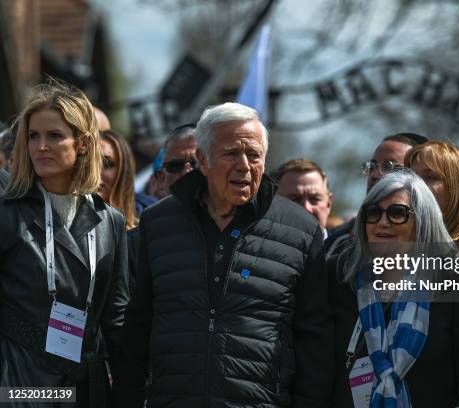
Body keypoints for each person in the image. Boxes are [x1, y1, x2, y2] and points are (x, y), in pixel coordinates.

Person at [119, 102, 333, 407]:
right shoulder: (158, 223)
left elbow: (315, 342)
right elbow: (137, 330)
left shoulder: (300, 230)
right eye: (231, 153)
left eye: (254, 155)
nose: (244, 165)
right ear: (203, 161)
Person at [0, 80, 129, 406]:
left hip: (83, 386)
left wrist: (130, 391)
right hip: (17, 385)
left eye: (54, 135)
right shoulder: (8, 211)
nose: (41, 146)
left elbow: (115, 319)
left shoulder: (109, 220)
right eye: (33, 136)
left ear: (83, 143)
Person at [329, 170, 459, 407]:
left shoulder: (456, 280)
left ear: (423, 220)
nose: (382, 222)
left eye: (397, 213)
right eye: (373, 213)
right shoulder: (339, 278)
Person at [326, 132, 428, 258]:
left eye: (388, 167)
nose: (374, 175)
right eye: (372, 166)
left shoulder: (445, 251)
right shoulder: (339, 242)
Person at [273, 158, 333, 237]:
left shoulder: (345, 248)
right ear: (274, 204)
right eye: (295, 199)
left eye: (315, 199)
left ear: (328, 204)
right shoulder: (256, 248)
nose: (306, 208)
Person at [99, 130, 138, 230]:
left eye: (106, 164)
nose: (94, 173)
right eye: (87, 164)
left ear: (124, 174)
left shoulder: (142, 234)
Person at [150, 123, 198, 199]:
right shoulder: (151, 211)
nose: (187, 172)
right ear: (161, 178)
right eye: (176, 166)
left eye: (196, 164)